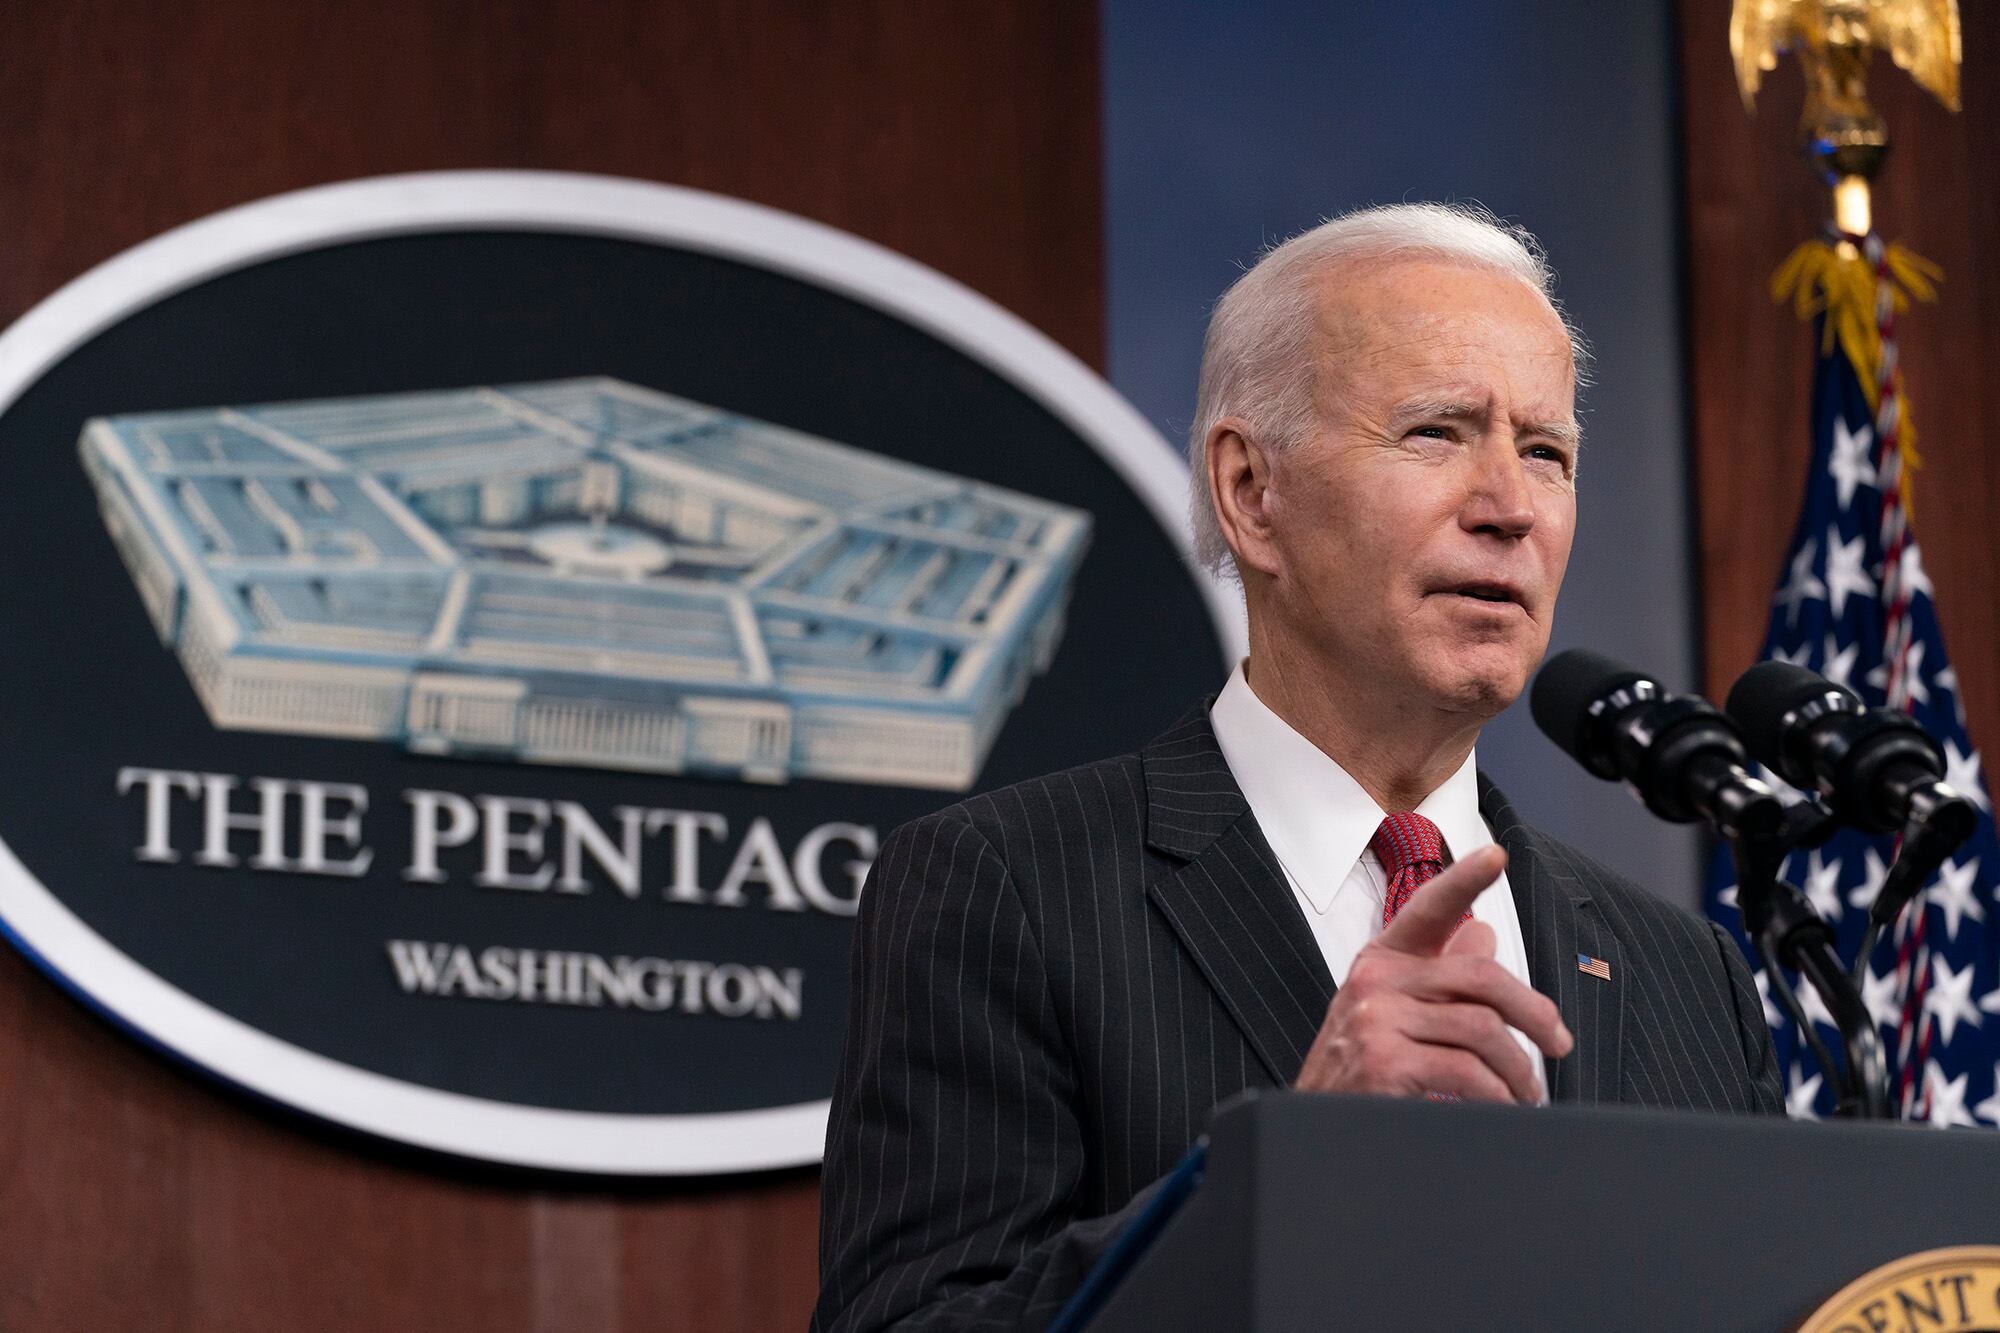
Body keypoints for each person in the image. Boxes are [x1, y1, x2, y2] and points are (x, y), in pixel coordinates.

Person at [811, 203, 1783, 1332]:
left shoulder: (1683, 975)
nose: (1509, 508)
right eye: (1434, 432)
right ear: (1249, 492)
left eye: (1545, 452)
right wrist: (1278, 1169)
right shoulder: (1006, 888)